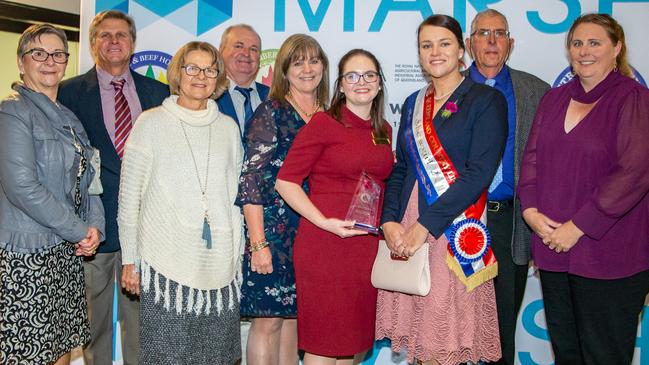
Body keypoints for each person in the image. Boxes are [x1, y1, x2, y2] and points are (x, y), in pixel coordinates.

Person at [376, 15, 507, 365]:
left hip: (449, 230)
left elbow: (479, 173)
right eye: (426, 45)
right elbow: (401, 167)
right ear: (419, 54)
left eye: (444, 43)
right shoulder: (413, 103)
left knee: (441, 346)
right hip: (409, 227)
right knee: (419, 345)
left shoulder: (484, 100)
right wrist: (389, 221)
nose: (435, 52)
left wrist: (424, 226)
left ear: (462, 49)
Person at [519, 13, 649, 365]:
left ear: (617, 47)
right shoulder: (554, 99)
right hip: (553, 249)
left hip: (609, 255)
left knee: (604, 355)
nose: (584, 51)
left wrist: (577, 228)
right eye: (577, 43)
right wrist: (530, 211)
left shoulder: (633, 98)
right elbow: (530, 160)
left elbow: (634, 172)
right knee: (567, 352)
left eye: (595, 42)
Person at [118, 41, 243, 365]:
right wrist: (130, 260)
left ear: (218, 78)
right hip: (166, 266)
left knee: (215, 357)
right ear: (178, 72)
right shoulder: (151, 123)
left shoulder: (229, 129)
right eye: (192, 68)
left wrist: (237, 258)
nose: (201, 76)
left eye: (209, 69)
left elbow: (236, 200)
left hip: (218, 271)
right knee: (166, 356)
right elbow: (129, 197)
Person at [58, 10, 169, 365]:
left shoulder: (160, 93)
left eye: (121, 35)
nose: (114, 41)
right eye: (105, 35)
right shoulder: (68, 92)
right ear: (93, 44)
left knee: (142, 326)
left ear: (133, 44)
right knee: (94, 324)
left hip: (147, 229)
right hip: (94, 228)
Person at [276, 48, 394, 364]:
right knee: (324, 346)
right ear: (340, 85)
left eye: (369, 75)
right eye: (352, 76)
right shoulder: (324, 123)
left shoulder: (384, 131)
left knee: (353, 347)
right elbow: (285, 181)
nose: (361, 82)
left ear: (379, 83)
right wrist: (324, 221)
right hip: (325, 246)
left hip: (365, 250)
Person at [0, 24, 104, 365]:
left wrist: (95, 229)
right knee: (26, 355)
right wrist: (78, 230)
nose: (50, 61)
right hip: (26, 256)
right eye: (38, 53)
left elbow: (91, 182)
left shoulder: (69, 117)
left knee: (61, 350)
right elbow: (21, 187)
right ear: (21, 61)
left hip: (65, 254)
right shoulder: (13, 111)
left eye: (58, 54)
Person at [464, 9, 550, 364]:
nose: (492, 41)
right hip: (455, 222)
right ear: (469, 43)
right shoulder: (444, 89)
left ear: (511, 43)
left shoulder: (537, 91)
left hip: (510, 223)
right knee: (447, 326)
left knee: (499, 335)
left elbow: (549, 165)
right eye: (483, 33)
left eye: (500, 33)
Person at [237, 34, 328, 365]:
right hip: (274, 234)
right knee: (269, 321)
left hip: (317, 232)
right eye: (298, 61)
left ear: (324, 67)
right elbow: (250, 181)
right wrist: (258, 243)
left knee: (296, 321)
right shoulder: (271, 111)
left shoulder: (330, 115)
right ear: (284, 70)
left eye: (314, 60)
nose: (307, 68)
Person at [217, 24, 270, 135]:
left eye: (253, 49)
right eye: (238, 46)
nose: (246, 53)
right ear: (221, 51)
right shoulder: (206, 94)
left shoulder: (274, 97)